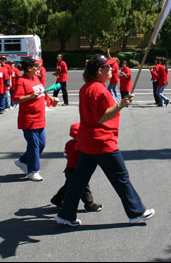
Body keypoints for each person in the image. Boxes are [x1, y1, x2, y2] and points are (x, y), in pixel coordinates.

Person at [54, 55, 154, 227]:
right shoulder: (99, 90)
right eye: (108, 67)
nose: (112, 69)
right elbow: (102, 117)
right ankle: (136, 212)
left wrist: (119, 104)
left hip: (88, 141)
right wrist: (121, 104)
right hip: (102, 141)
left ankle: (65, 214)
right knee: (121, 177)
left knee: (78, 180)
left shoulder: (86, 87)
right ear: (100, 71)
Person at [50, 123, 103, 212]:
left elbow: (65, 154)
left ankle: (57, 199)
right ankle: (90, 204)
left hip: (69, 168)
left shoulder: (69, 143)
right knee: (83, 187)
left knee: (68, 186)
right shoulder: (81, 145)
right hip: (78, 169)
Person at [13, 56, 47, 181]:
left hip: (39, 118)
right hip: (28, 119)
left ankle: (23, 160)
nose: (38, 68)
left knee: (42, 144)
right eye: (35, 66)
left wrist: (50, 99)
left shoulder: (36, 78)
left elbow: (42, 93)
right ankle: (33, 171)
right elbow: (16, 99)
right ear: (28, 68)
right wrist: (29, 96)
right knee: (34, 145)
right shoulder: (21, 81)